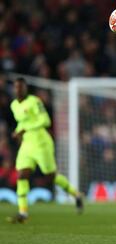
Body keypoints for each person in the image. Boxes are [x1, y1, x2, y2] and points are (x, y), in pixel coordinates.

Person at [8, 77, 83, 223]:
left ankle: (76, 194)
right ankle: (23, 213)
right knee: (22, 175)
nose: (18, 90)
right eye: (16, 87)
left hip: (42, 143)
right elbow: (22, 122)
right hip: (27, 145)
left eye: (21, 87)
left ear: (25, 88)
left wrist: (24, 129)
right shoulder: (13, 105)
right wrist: (17, 131)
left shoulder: (35, 101)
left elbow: (45, 120)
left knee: (50, 177)